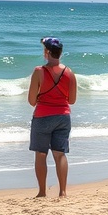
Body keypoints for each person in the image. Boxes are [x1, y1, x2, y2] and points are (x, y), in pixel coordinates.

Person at [28, 36, 77, 197]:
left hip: (42, 117)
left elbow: (31, 101)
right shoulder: (69, 72)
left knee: (41, 154)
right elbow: (72, 100)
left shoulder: (39, 71)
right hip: (63, 117)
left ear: (47, 52)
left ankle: (42, 192)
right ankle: (63, 192)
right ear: (60, 53)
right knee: (60, 154)